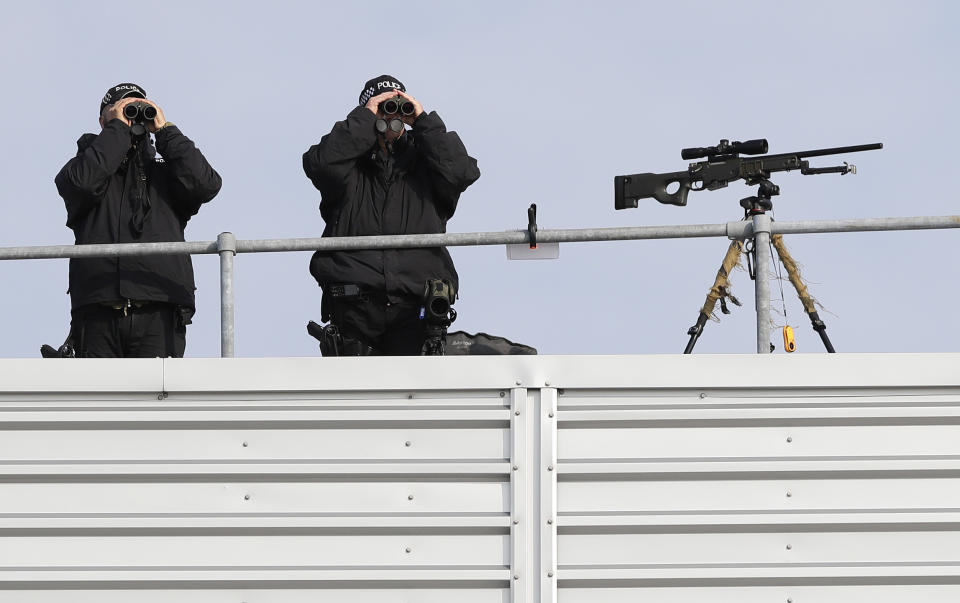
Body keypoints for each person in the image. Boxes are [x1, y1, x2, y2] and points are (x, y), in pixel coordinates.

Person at [303, 75, 480, 355]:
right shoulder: (349, 168)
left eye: (399, 107)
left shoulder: (427, 163)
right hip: (354, 301)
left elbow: (462, 172)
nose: (392, 115)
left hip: (416, 302)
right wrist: (364, 118)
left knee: (414, 392)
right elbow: (320, 164)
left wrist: (422, 120)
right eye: (383, 107)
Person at [54, 83, 222, 358]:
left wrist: (165, 130)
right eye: (123, 108)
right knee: (100, 401)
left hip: (160, 308)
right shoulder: (85, 168)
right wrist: (117, 129)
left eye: (139, 108)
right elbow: (81, 184)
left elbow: (205, 184)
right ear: (102, 121)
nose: (132, 115)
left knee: (158, 397)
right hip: (97, 310)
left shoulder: (167, 174)